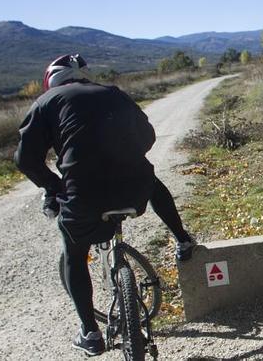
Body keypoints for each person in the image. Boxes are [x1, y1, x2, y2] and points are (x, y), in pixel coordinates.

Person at [14, 54, 196, 356]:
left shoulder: (46, 103)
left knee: (74, 253)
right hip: (134, 189)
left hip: (84, 195)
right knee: (150, 178)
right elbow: (148, 137)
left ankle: (90, 333)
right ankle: (183, 239)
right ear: (85, 76)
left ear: (51, 82)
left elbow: (25, 160)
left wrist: (53, 186)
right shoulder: (113, 93)